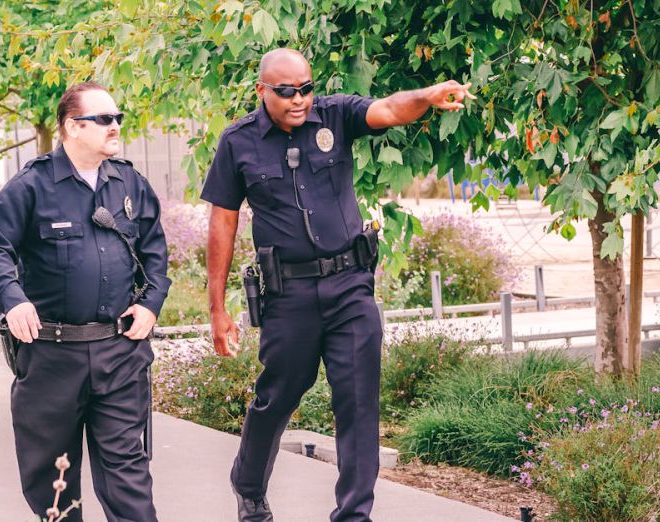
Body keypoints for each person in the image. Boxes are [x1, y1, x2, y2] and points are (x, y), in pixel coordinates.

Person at [201, 49, 473, 522]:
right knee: (278, 395)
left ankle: (353, 514)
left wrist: (427, 97)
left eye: (306, 87)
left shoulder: (335, 114)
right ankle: (248, 486)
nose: (300, 99)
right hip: (289, 296)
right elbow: (222, 224)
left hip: (350, 287)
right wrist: (217, 308)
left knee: (358, 402)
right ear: (262, 90)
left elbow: (389, 108)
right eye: (287, 91)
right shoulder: (238, 142)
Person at [0, 81, 170, 522]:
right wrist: (13, 300)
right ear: (72, 127)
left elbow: (156, 253)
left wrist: (151, 304)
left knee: (129, 476)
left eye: (117, 118)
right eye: (104, 119)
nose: (115, 126)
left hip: (119, 352)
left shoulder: (130, 184)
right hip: (51, 357)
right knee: (53, 486)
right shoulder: (31, 187)